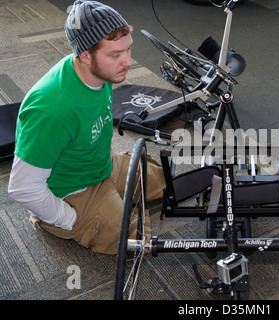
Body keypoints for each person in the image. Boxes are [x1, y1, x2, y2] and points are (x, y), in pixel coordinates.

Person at [8, 1, 165, 255]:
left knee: (162, 179)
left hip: (97, 164)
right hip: (71, 190)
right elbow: (22, 188)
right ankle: (64, 219)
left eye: (128, 49)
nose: (128, 62)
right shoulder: (51, 109)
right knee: (139, 241)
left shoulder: (99, 71)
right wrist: (70, 219)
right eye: (115, 54)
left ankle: (118, 199)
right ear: (84, 54)